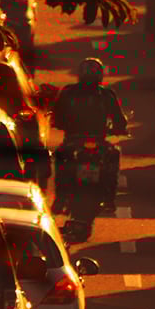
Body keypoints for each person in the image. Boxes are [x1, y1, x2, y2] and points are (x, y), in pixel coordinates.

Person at [51, 58, 128, 215]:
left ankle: (106, 199)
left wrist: (119, 128)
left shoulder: (102, 94)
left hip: (88, 140)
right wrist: (119, 128)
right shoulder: (103, 94)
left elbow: (119, 119)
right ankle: (63, 198)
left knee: (112, 156)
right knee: (61, 157)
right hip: (78, 139)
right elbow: (119, 120)